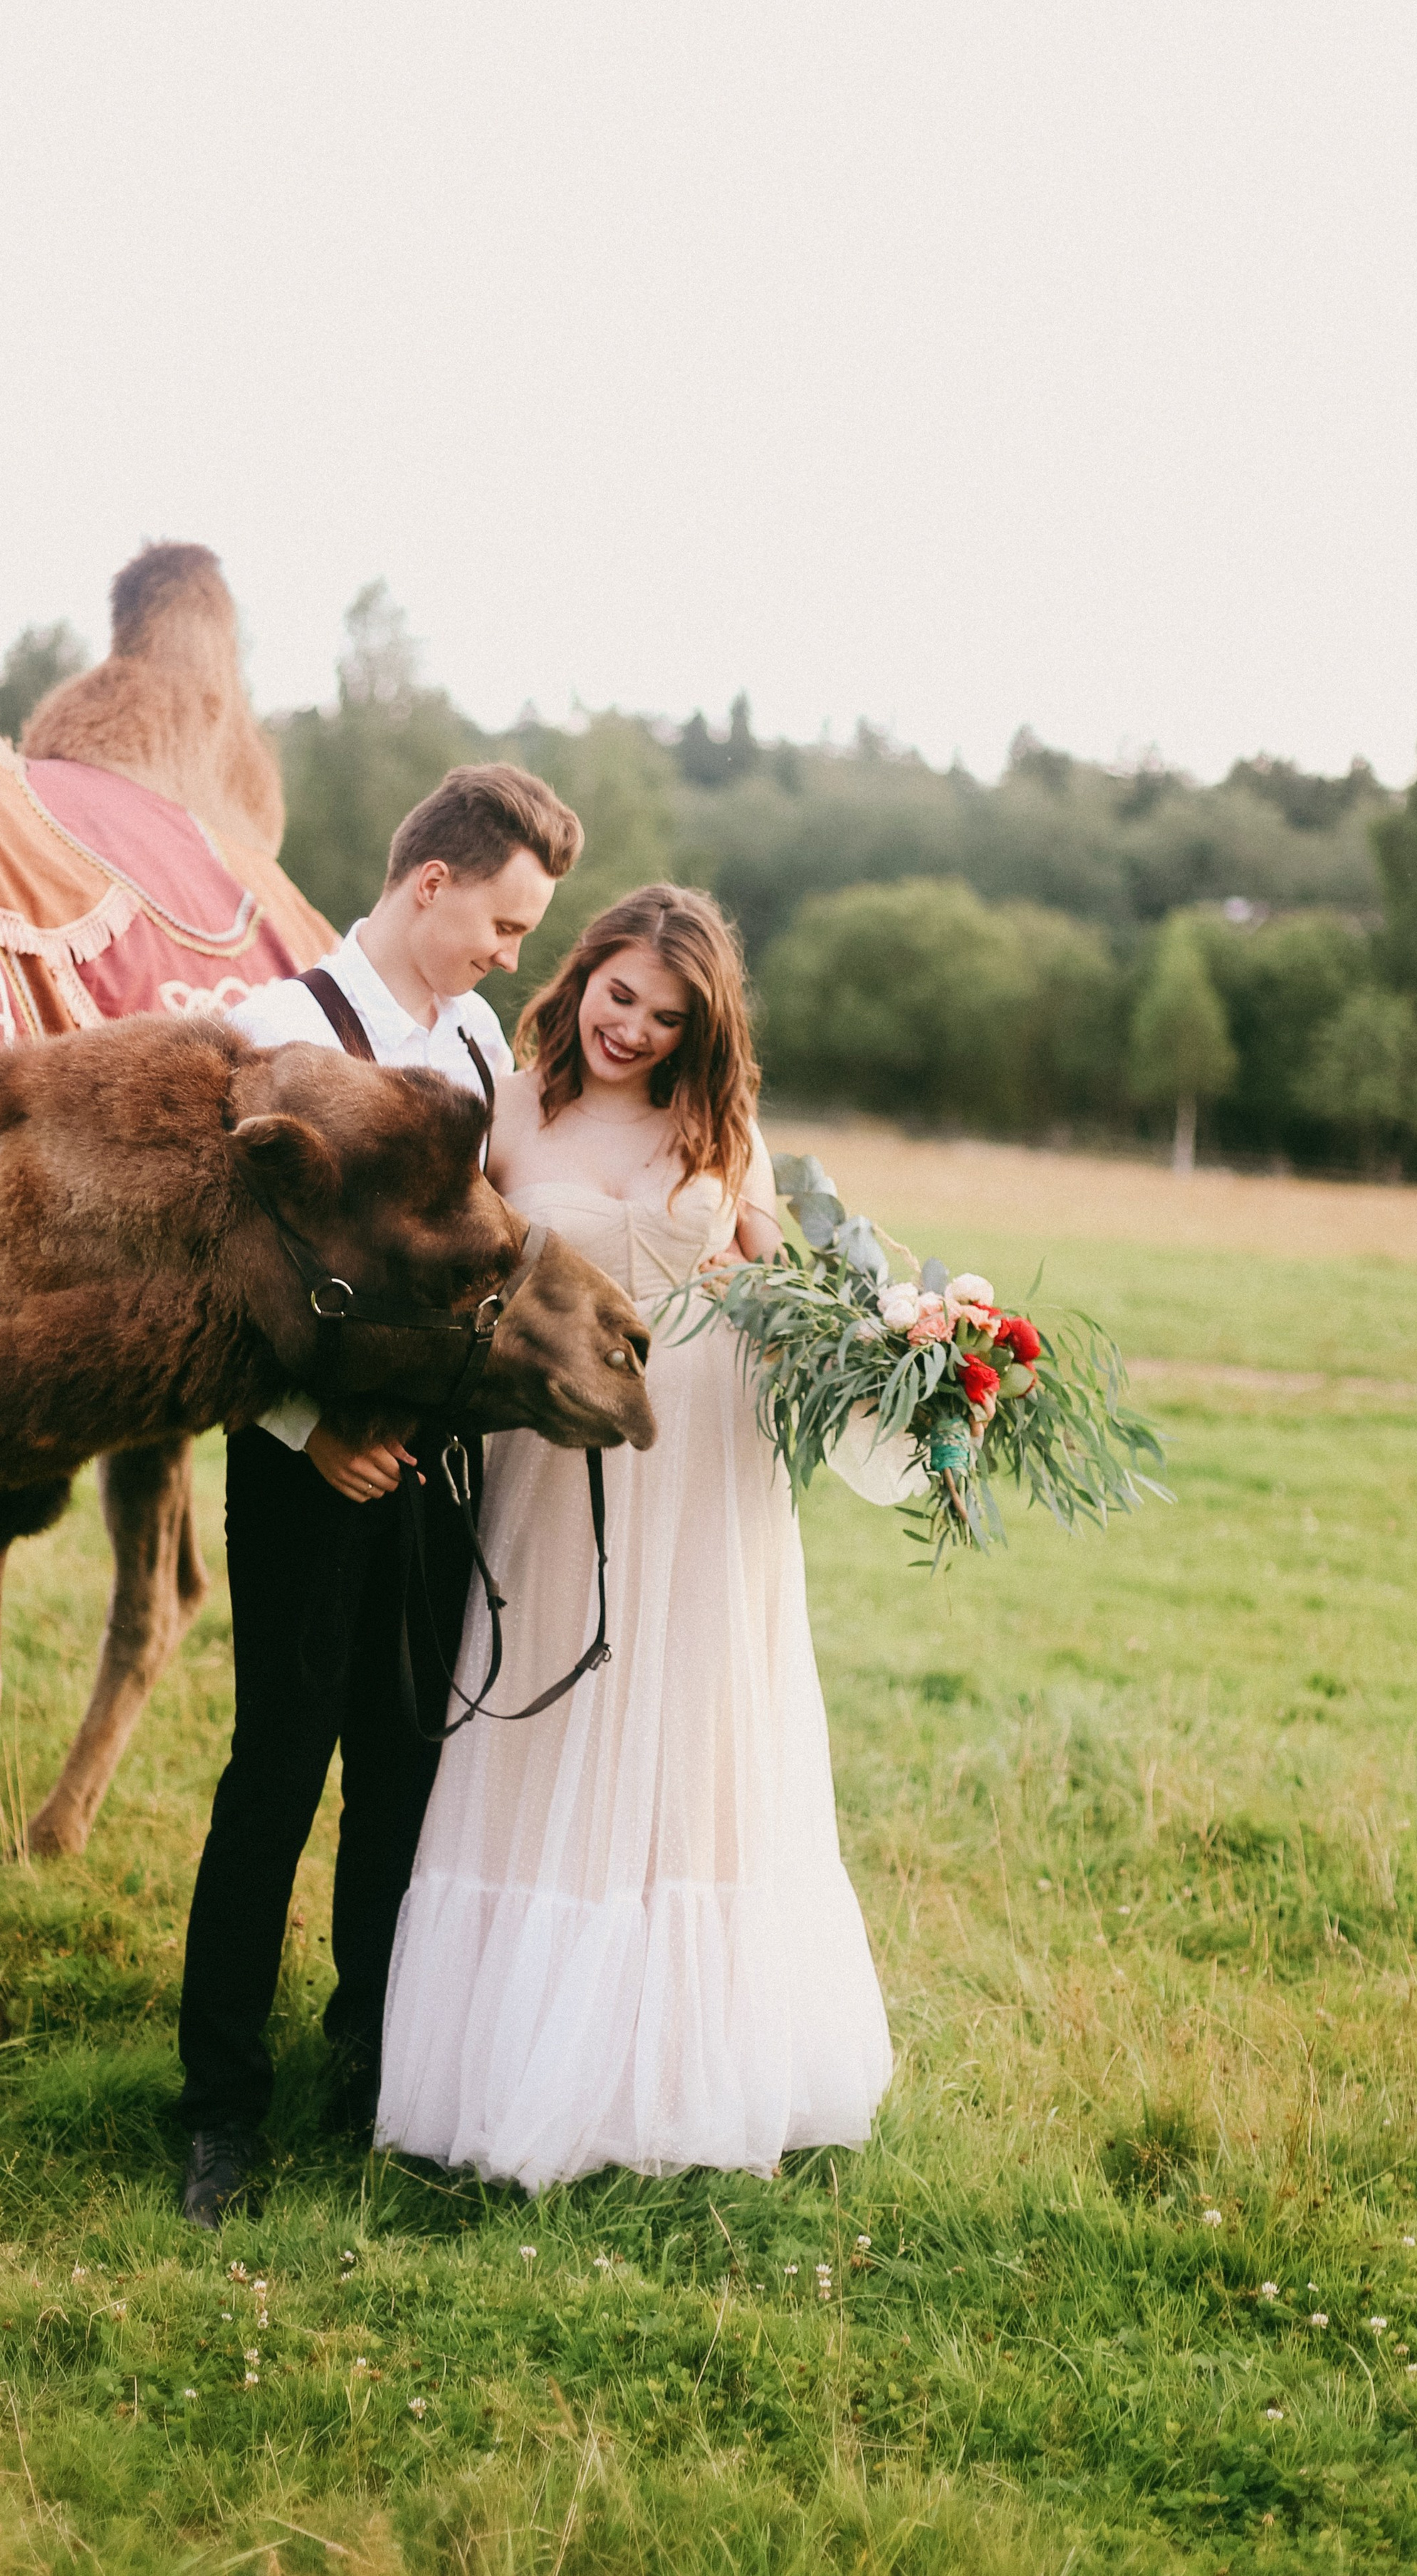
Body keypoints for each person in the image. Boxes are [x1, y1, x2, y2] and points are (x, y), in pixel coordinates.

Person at [375, 884, 893, 2187]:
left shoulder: (726, 1128)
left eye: (667, 1017)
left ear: (698, 1028)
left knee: (692, 1724)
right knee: (548, 1720)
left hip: (706, 1454)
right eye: (620, 996)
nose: (635, 1030)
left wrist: (899, 1339)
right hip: (551, 1447)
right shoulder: (508, 1109)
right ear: (584, 973)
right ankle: (518, 2064)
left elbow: (792, 1293)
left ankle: (684, 2072)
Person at [177, 762, 583, 2226]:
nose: (509, 954)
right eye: (503, 919)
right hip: (303, 1474)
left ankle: (366, 2063)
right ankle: (217, 2108)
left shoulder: (480, 1048)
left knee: (404, 1779)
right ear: (430, 885)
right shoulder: (274, 1031)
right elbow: (198, 1280)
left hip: (440, 1474)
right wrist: (299, 1426)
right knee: (275, 1778)